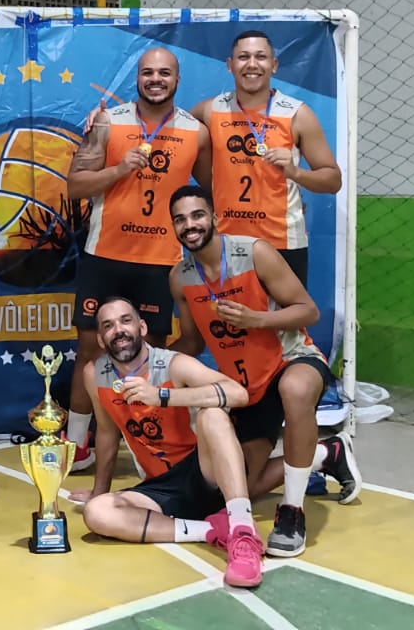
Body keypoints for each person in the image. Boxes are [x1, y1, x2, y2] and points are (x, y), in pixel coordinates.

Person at [167, 185, 361, 558]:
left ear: (214, 218)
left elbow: (308, 311)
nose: (190, 225)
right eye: (180, 219)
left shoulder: (254, 252)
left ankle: (291, 511)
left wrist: (257, 319)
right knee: (235, 488)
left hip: (292, 359)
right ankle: (327, 454)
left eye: (197, 215)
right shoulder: (181, 278)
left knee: (295, 390)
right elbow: (191, 341)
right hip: (247, 388)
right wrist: (148, 364)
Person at [63, 48, 211, 474]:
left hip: (160, 262)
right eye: (148, 72)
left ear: (177, 80)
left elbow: (209, 194)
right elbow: (75, 186)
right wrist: (118, 170)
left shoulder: (195, 132)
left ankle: (152, 443)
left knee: (152, 356)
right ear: (138, 78)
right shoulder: (109, 122)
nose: (156, 79)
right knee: (90, 349)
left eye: (165, 73)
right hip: (105, 254)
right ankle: (77, 445)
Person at [66, 297, 264, 588]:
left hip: (204, 472)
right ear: (100, 338)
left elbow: (237, 394)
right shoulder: (94, 374)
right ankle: (212, 530)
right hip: (160, 486)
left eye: (126, 320)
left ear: (142, 327)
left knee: (213, 415)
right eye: (108, 325)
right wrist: (99, 491)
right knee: (97, 513)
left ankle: (243, 532)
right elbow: (106, 433)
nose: (118, 330)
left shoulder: (174, 364)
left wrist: (162, 396)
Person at [191, 30, 341, 283]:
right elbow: (173, 133)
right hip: (226, 242)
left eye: (260, 57)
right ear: (230, 65)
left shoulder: (297, 114)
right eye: (243, 57)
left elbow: (333, 180)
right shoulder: (210, 110)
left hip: (281, 243)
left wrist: (295, 173)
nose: (252, 64)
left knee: (287, 310)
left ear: (274, 65)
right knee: (226, 310)